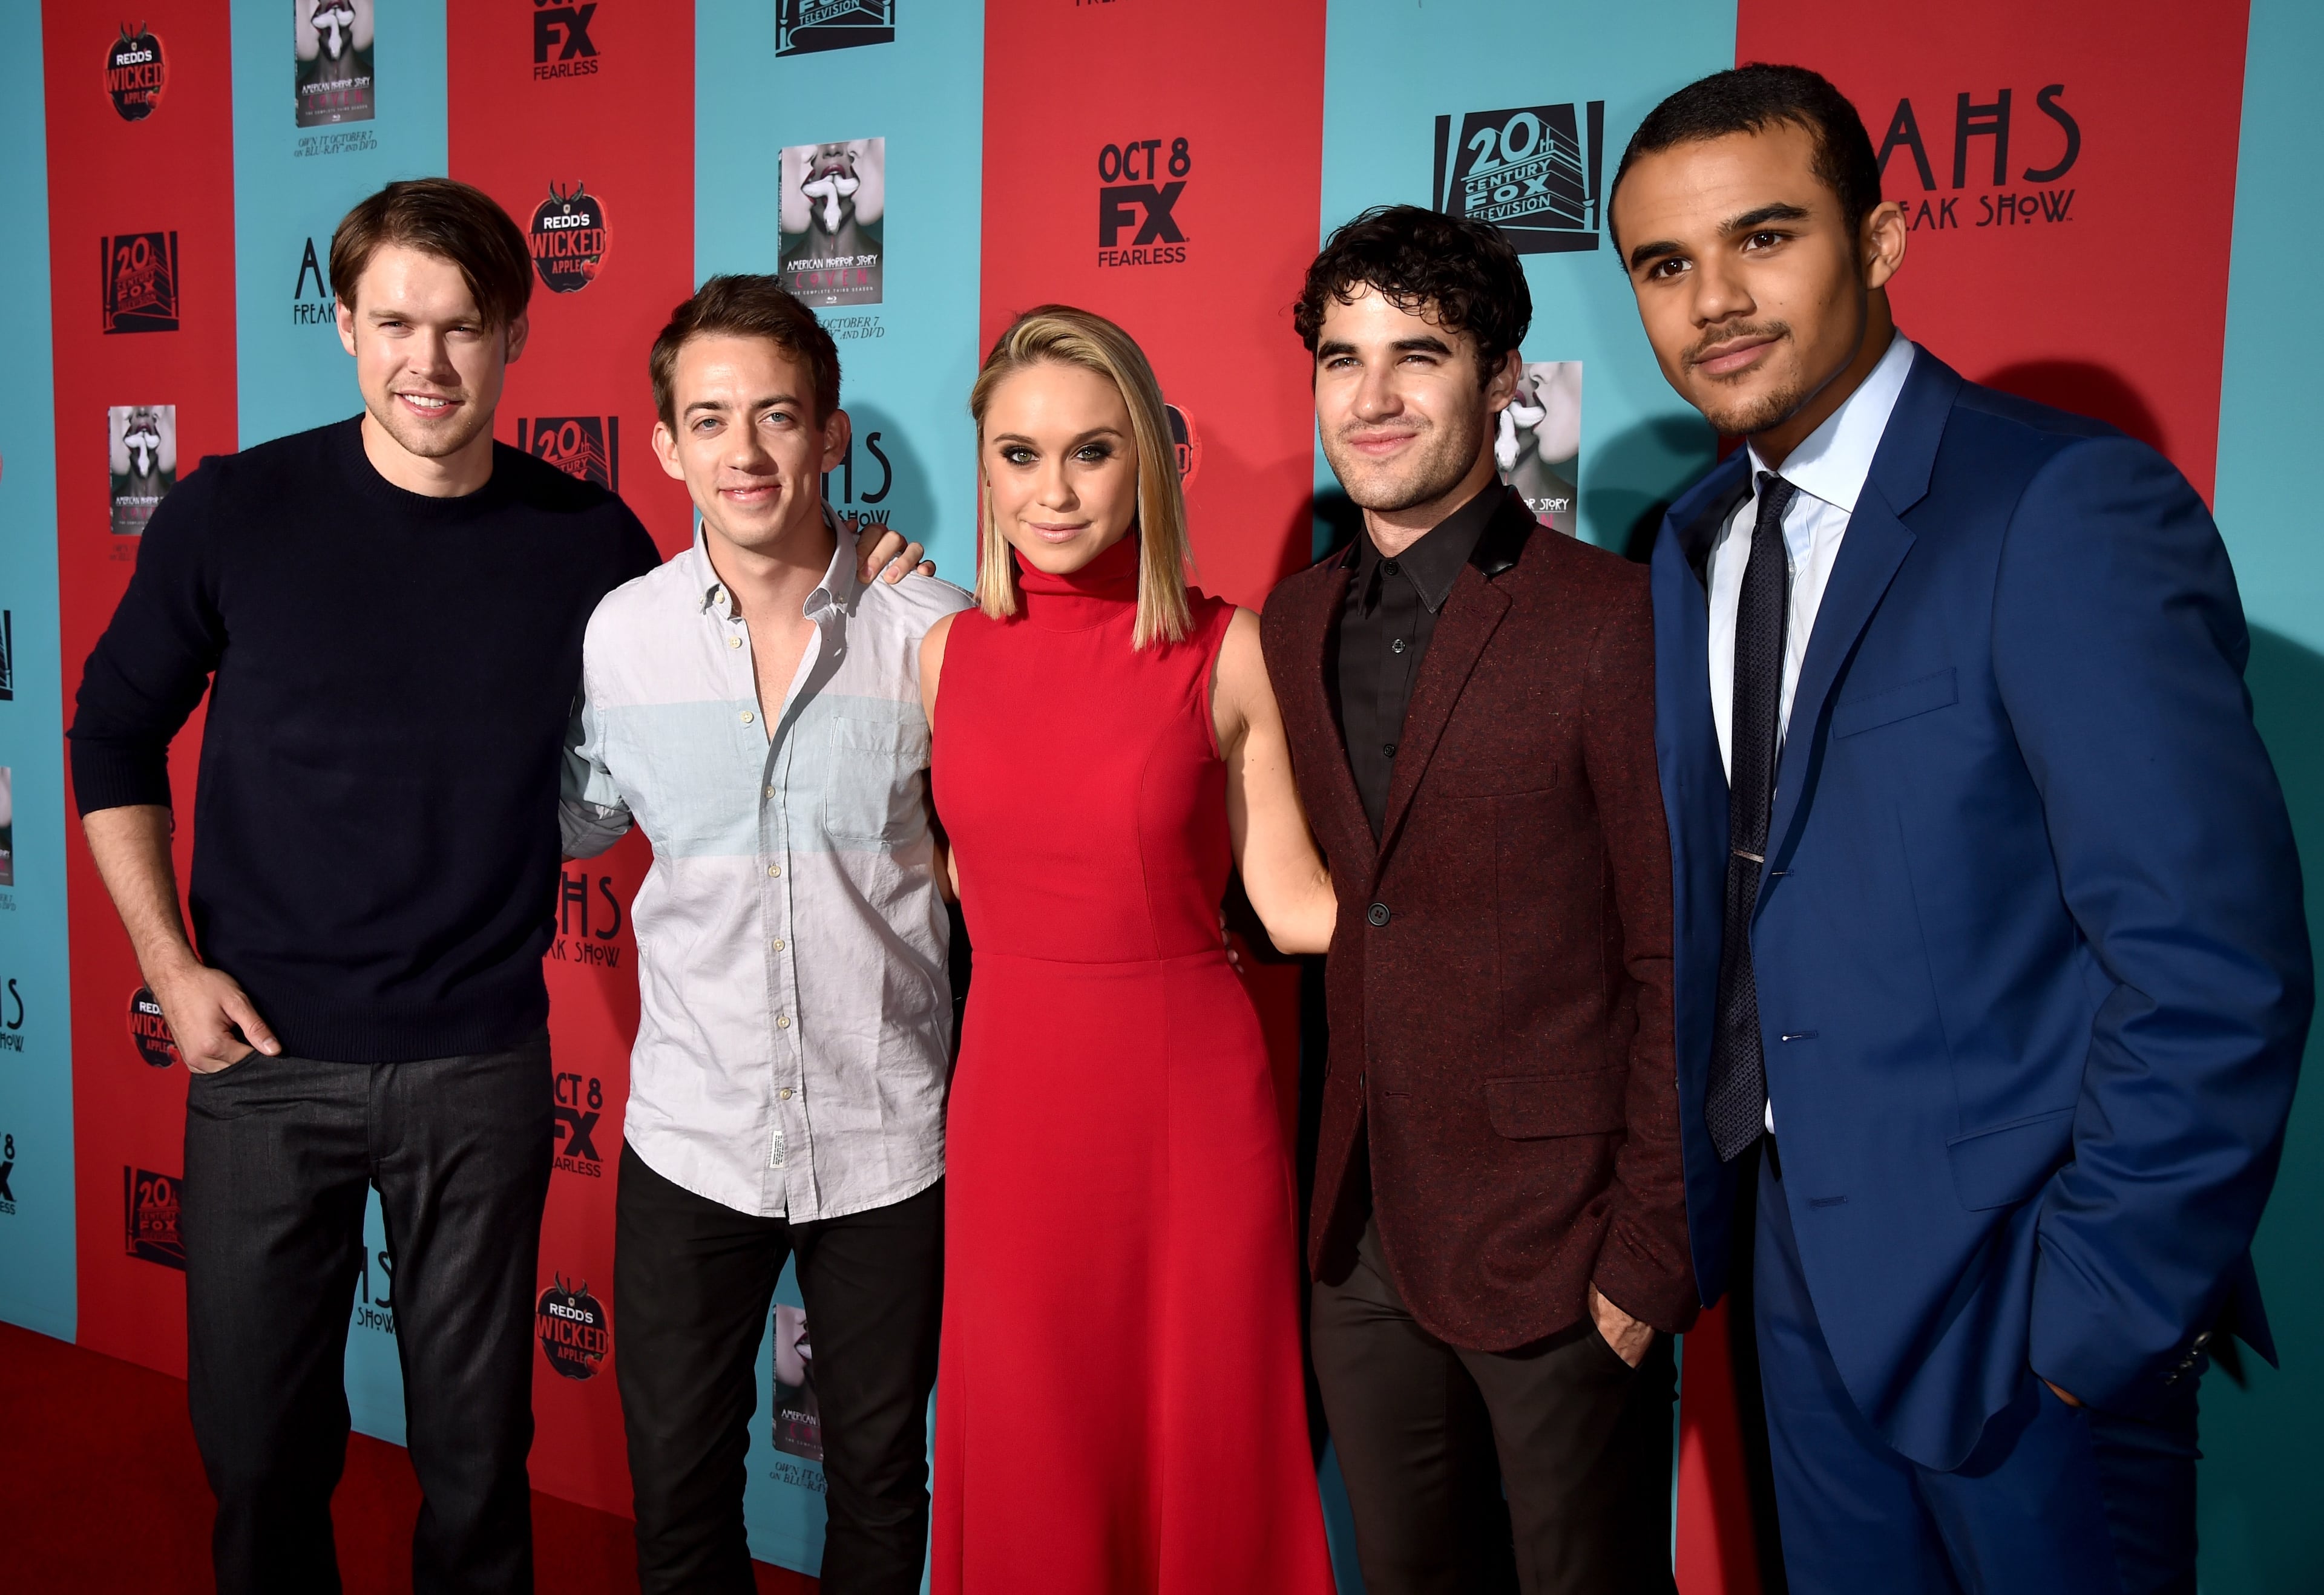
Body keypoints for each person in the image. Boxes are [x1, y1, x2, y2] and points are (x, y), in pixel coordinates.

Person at [65, 180, 921, 1595]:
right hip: (263, 1062)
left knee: (474, 1462)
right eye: (395, 322)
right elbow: (109, 734)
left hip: (479, 1066)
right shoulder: (233, 510)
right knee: (260, 1454)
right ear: (345, 326)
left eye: (463, 327)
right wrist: (167, 962)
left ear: (515, 334)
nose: (429, 360)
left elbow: (734, 628)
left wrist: (869, 573)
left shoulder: (589, 544)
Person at [1612, 65, 2312, 1594]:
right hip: (1796, 1285)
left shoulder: (2059, 505)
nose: (1713, 300)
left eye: (1764, 237)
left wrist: (2096, 1316)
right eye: (1665, 265)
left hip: (2022, 1307)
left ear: (1880, 240)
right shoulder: (1691, 543)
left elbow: (2212, 961)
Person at [1261, 205, 1696, 1595]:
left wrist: (1649, 1250)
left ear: (1505, 378)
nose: (1373, 397)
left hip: (1563, 1247)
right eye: (1343, 357)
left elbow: (1677, 955)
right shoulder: (1292, 620)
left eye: (1420, 354)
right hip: (1359, 1239)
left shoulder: (1610, 618)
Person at [921, 306, 1338, 1594]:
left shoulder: (1227, 648)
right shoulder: (938, 654)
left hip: (1187, 1110)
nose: (1053, 492)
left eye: (1091, 452)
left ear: (1152, 460)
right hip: (1012, 1104)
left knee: (1198, 1437)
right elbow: (965, 875)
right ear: (984, 466)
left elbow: (1296, 906)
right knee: (1036, 1436)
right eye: (1020, 454)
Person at [560, 275, 965, 1595]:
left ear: (832, 435)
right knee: (677, 1490)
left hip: (887, 1138)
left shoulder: (935, 631)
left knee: (881, 1487)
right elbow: (575, 820)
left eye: (778, 415)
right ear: (666, 446)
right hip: (694, 1136)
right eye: (710, 419)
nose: (744, 451)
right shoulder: (620, 638)